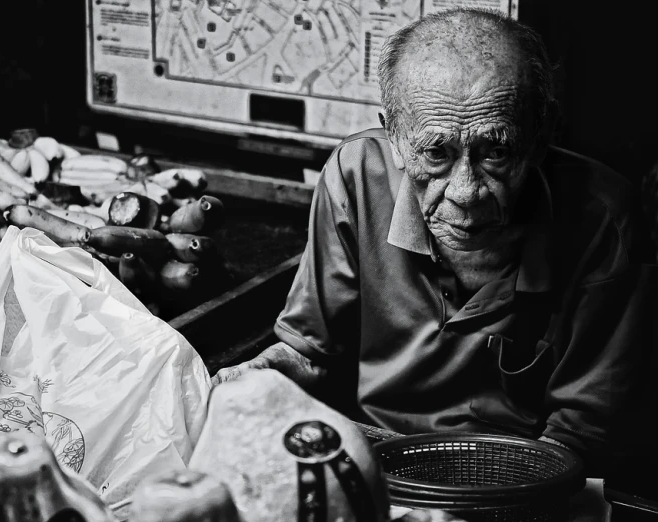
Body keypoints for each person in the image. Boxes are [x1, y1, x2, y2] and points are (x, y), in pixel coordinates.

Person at [212, 8, 652, 468]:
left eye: (497, 151)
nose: (466, 191)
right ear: (396, 138)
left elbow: (582, 431)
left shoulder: (603, 218)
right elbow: (313, 351)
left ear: (541, 137)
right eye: (436, 153)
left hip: (517, 474)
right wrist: (261, 374)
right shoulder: (356, 176)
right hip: (369, 454)